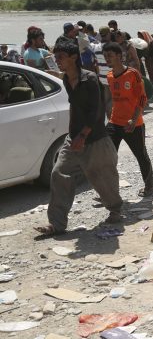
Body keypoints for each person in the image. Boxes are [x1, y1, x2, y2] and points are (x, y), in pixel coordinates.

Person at [34, 40, 123, 237]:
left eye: (61, 57)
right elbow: (75, 106)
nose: (57, 61)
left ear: (74, 58)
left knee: (102, 178)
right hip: (73, 138)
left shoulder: (89, 80)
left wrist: (83, 135)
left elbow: (96, 111)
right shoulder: (67, 79)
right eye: (56, 57)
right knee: (59, 173)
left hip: (95, 139)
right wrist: (74, 134)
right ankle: (56, 224)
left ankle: (115, 210)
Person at [103, 42, 153, 198]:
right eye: (105, 56)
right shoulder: (109, 76)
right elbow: (113, 98)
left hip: (133, 125)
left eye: (110, 56)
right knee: (107, 157)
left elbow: (142, 98)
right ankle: (108, 191)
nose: (107, 59)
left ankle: (149, 186)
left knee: (141, 156)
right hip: (114, 123)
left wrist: (133, 119)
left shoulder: (132, 74)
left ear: (119, 56)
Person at [93, 26, 113, 118]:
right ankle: (112, 121)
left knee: (106, 101)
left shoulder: (96, 47)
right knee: (113, 101)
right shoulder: (112, 47)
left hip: (102, 78)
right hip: (113, 78)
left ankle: (109, 121)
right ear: (108, 34)